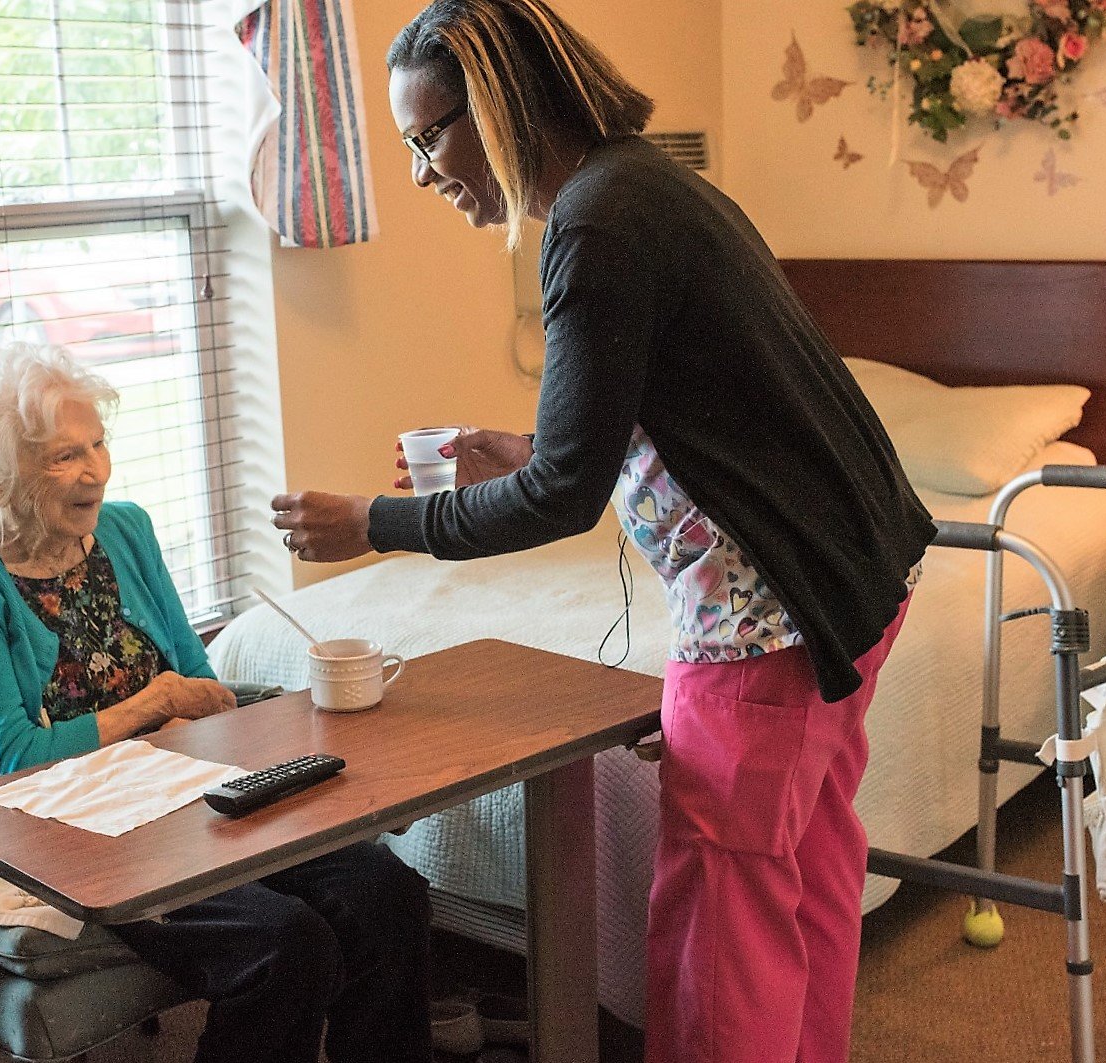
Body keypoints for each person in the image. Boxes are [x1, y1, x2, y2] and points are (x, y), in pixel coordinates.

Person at [269, 3, 937, 1061]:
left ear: (501, 103)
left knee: (721, 930)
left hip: (761, 625)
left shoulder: (594, 220)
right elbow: (692, 402)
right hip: (847, 588)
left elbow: (560, 498)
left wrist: (377, 523)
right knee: (801, 878)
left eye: (427, 135)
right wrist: (526, 446)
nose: (420, 171)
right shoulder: (648, 184)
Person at [0, 342, 431, 1063]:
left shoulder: (126, 529)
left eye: (98, 443)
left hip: (196, 801)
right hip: (84, 840)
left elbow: (202, 683)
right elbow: (13, 760)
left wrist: (185, 709)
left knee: (388, 892)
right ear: (1, 476)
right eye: (65, 456)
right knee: (285, 945)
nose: (94, 469)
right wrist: (154, 704)